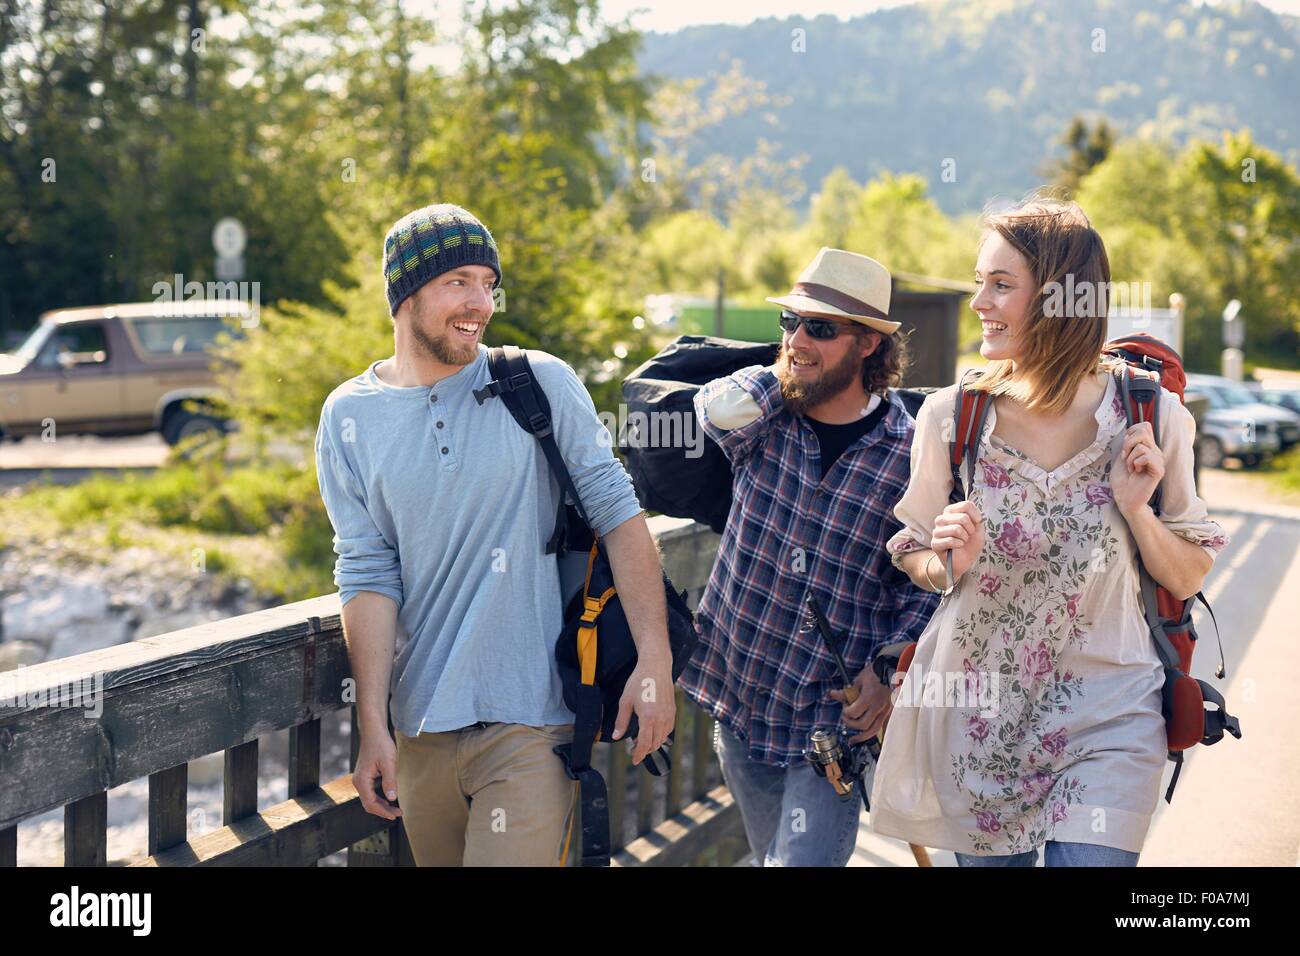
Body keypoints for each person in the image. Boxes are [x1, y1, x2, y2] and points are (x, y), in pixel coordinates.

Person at [869, 198, 1230, 867]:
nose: (979, 301)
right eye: (980, 280)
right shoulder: (953, 417)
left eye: (1001, 285)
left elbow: (1188, 574)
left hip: (1109, 717)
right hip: (979, 720)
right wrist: (945, 560)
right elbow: (913, 551)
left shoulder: (1153, 415)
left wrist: (1139, 513)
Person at [313, 203, 675, 866]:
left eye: (488, 282)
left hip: (532, 722)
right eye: (459, 282)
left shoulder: (536, 382)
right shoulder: (347, 416)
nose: (480, 301)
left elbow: (621, 519)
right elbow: (365, 574)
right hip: (421, 726)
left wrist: (655, 660)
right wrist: (373, 729)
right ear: (406, 295)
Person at [681, 247, 941, 866]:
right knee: (770, 853)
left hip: (829, 726)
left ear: (870, 344)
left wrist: (884, 673)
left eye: (821, 328)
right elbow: (714, 408)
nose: (798, 338)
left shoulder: (911, 453)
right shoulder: (763, 416)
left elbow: (924, 590)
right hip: (741, 704)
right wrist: (794, 365)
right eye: (790, 323)